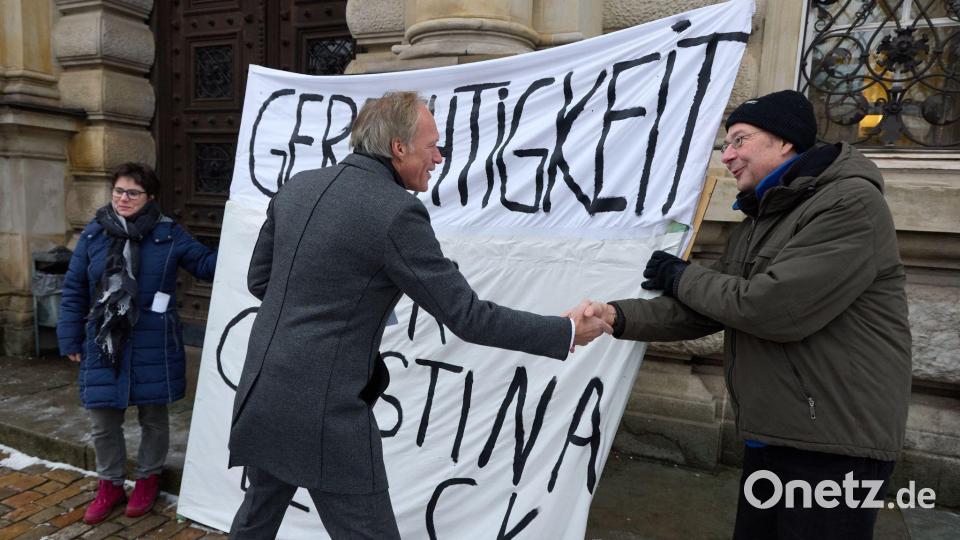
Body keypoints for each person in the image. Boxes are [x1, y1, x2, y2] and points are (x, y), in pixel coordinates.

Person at [227, 91, 611, 539]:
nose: (439, 157)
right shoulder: (395, 212)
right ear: (399, 147)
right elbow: (468, 317)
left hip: (263, 390)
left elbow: (261, 281)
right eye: (433, 146)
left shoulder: (298, 186)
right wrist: (565, 331)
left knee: (256, 519)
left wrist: (349, 301)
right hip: (325, 413)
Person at [575, 90, 911, 540]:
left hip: (833, 444)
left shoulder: (849, 204)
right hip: (776, 431)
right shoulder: (766, 213)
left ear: (785, 141)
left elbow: (770, 308)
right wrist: (616, 316)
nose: (727, 155)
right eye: (725, 144)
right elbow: (709, 307)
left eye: (739, 140)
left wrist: (682, 276)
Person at [57, 163, 217, 524]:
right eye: (118, 191)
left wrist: (248, 243)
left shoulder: (168, 233)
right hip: (104, 339)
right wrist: (68, 336)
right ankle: (110, 485)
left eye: (133, 192)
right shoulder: (94, 234)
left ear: (150, 197)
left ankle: (148, 480)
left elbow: (206, 265)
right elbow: (74, 288)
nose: (123, 199)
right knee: (103, 419)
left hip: (152, 340)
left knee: (154, 418)